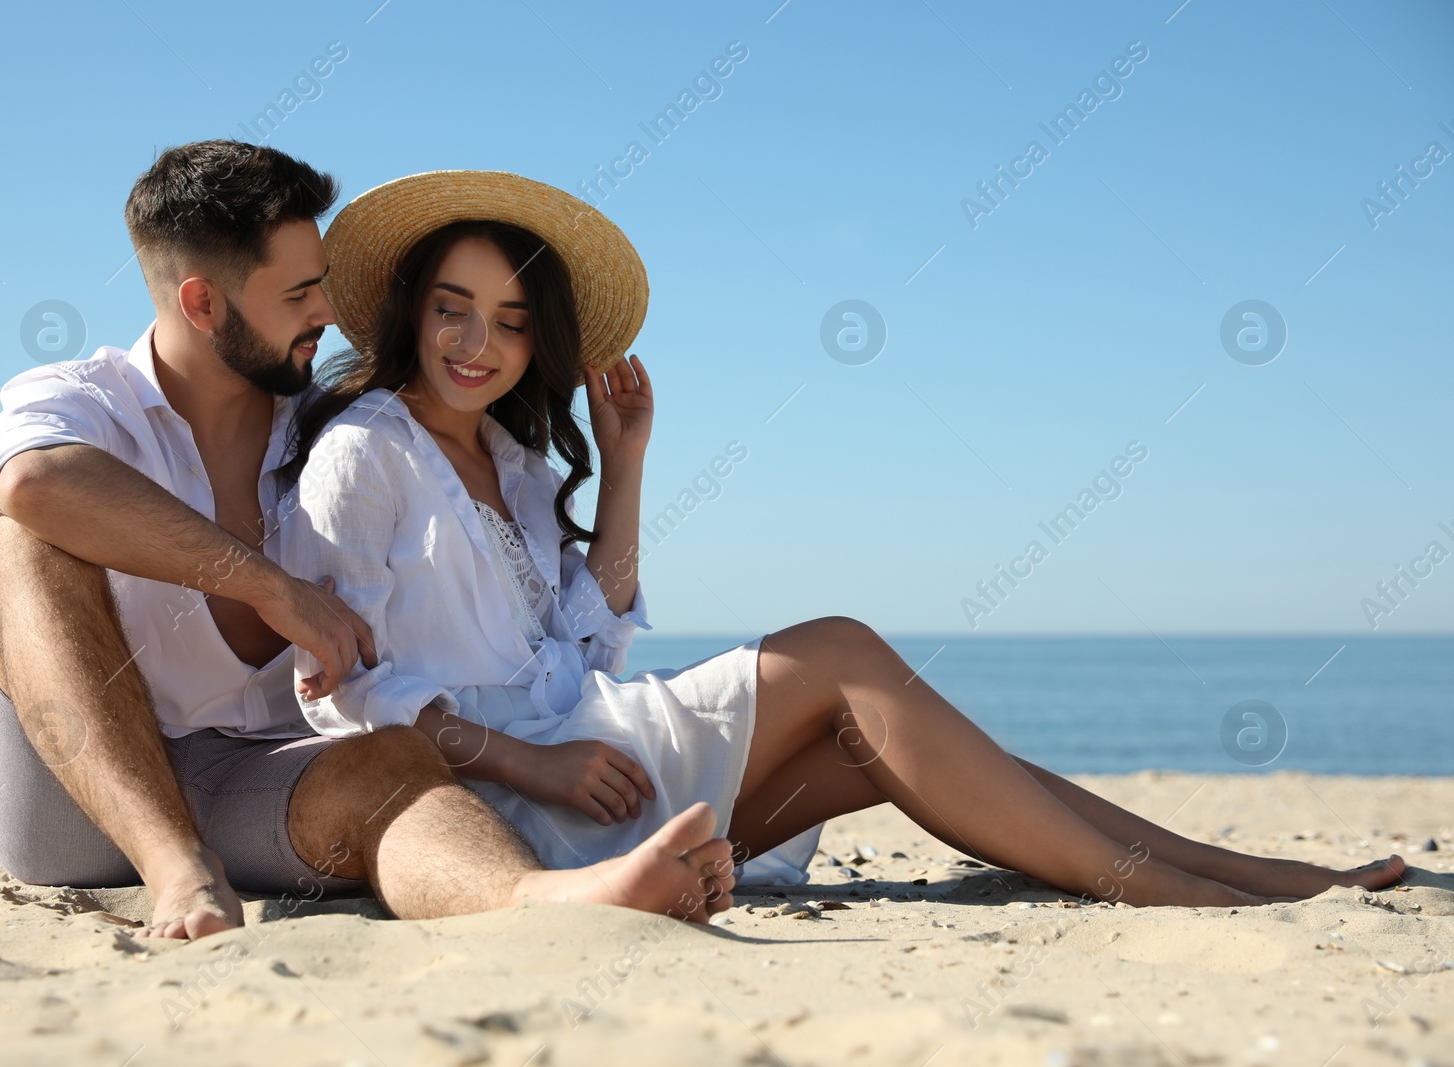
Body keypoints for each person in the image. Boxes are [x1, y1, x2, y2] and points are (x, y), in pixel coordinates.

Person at [279, 170, 1408, 908]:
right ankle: (1203, 888)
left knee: (887, 745)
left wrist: (623, 464)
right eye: (454, 307)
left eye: (514, 321)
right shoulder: (363, 454)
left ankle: (1228, 868)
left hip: (593, 766)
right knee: (840, 648)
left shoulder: (514, 464)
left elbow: (591, 645)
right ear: (409, 310)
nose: (479, 342)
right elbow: (337, 692)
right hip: (504, 809)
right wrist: (532, 761)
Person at [0, 142, 737, 941]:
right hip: (79, 801)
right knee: (24, 542)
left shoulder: (331, 431)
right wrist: (274, 589)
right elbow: (32, 482)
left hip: (256, 781)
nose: (330, 313)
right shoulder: (88, 404)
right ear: (203, 304)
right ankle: (175, 869)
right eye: (302, 292)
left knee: (395, 761)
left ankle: (543, 898)